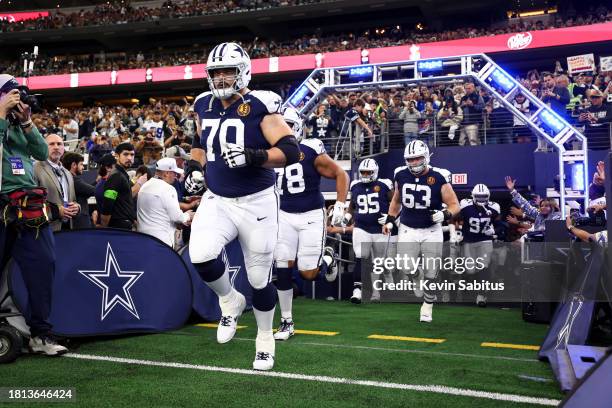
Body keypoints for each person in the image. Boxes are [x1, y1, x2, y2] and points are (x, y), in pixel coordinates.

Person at [185, 42, 301, 371]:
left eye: (227, 71)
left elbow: (290, 151)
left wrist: (255, 156)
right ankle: (229, 299)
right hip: (218, 198)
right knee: (201, 254)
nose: (221, 78)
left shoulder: (261, 104)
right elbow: (199, 142)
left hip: (257, 201)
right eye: (215, 72)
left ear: (244, 71)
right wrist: (194, 169)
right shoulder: (202, 103)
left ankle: (264, 338)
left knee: (260, 279)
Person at [0, 74, 67, 355]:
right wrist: (1, 112)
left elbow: (41, 152)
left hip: (27, 205)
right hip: (0, 203)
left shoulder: (19, 126)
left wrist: (26, 121)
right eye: (13, 94)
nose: (19, 100)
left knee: (43, 264)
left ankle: (40, 334)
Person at [272, 107, 348, 341]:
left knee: (308, 274)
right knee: (282, 268)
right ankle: (286, 322)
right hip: (282, 215)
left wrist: (341, 205)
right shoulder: (268, 150)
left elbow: (341, 174)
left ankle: (327, 257)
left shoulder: (310, 148)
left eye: (288, 125)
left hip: (311, 215)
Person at [383, 140, 460, 322]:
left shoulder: (439, 177)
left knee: (432, 273)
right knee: (405, 266)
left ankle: (427, 305)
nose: (414, 163)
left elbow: (455, 205)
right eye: (410, 159)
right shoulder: (401, 175)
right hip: (408, 228)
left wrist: (446, 214)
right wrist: (389, 219)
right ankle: (416, 277)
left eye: (417, 158)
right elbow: (396, 201)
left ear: (426, 157)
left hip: (431, 230)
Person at [347, 158, 397, 304]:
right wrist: (348, 216)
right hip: (361, 227)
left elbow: (396, 203)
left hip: (380, 229)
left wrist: (389, 218)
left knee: (379, 262)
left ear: (375, 172)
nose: (365, 174)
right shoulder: (355, 185)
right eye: (363, 172)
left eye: (368, 172)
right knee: (361, 256)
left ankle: (378, 291)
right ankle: (357, 290)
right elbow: (352, 204)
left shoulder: (384, 184)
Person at [457, 184, 500, 307]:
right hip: (469, 240)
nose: (481, 199)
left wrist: (494, 231)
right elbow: (456, 217)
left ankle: (482, 295)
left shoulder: (494, 207)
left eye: (484, 196)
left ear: (489, 196)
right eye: (478, 196)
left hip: (485, 240)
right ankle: (467, 289)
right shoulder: (465, 205)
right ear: (473, 196)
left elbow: (501, 224)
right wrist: (458, 233)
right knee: (470, 270)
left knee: (483, 267)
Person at [137, 158, 193, 247]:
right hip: (161, 241)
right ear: (166, 173)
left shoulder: (145, 185)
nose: (176, 176)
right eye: (174, 173)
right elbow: (176, 217)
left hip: (143, 238)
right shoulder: (168, 188)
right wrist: (187, 215)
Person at [33, 134, 80, 231]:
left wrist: (77, 208)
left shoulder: (67, 173)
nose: (56, 147)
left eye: (59, 144)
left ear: (63, 148)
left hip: (67, 227)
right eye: (51, 144)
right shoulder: (35, 168)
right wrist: (56, 211)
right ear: (44, 147)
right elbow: (32, 202)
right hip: (45, 228)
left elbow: (73, 199)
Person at [100, 143, 143, 230]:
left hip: (125, 225)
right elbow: (108, 204)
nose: (129, 158)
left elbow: (125, 201)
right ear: (116, 156)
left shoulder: (122, 174)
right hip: (118, 228)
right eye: (126, 154)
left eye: (132, 155)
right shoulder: (116, 176)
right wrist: (104, 229)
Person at [62, 152, 96, 229]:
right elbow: (93, 191)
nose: (83, 167)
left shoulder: (66, 178)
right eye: (81, 164)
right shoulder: (74, 180)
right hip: (80, 222)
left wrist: (97, 181)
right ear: (74, 165)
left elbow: (87, 189)